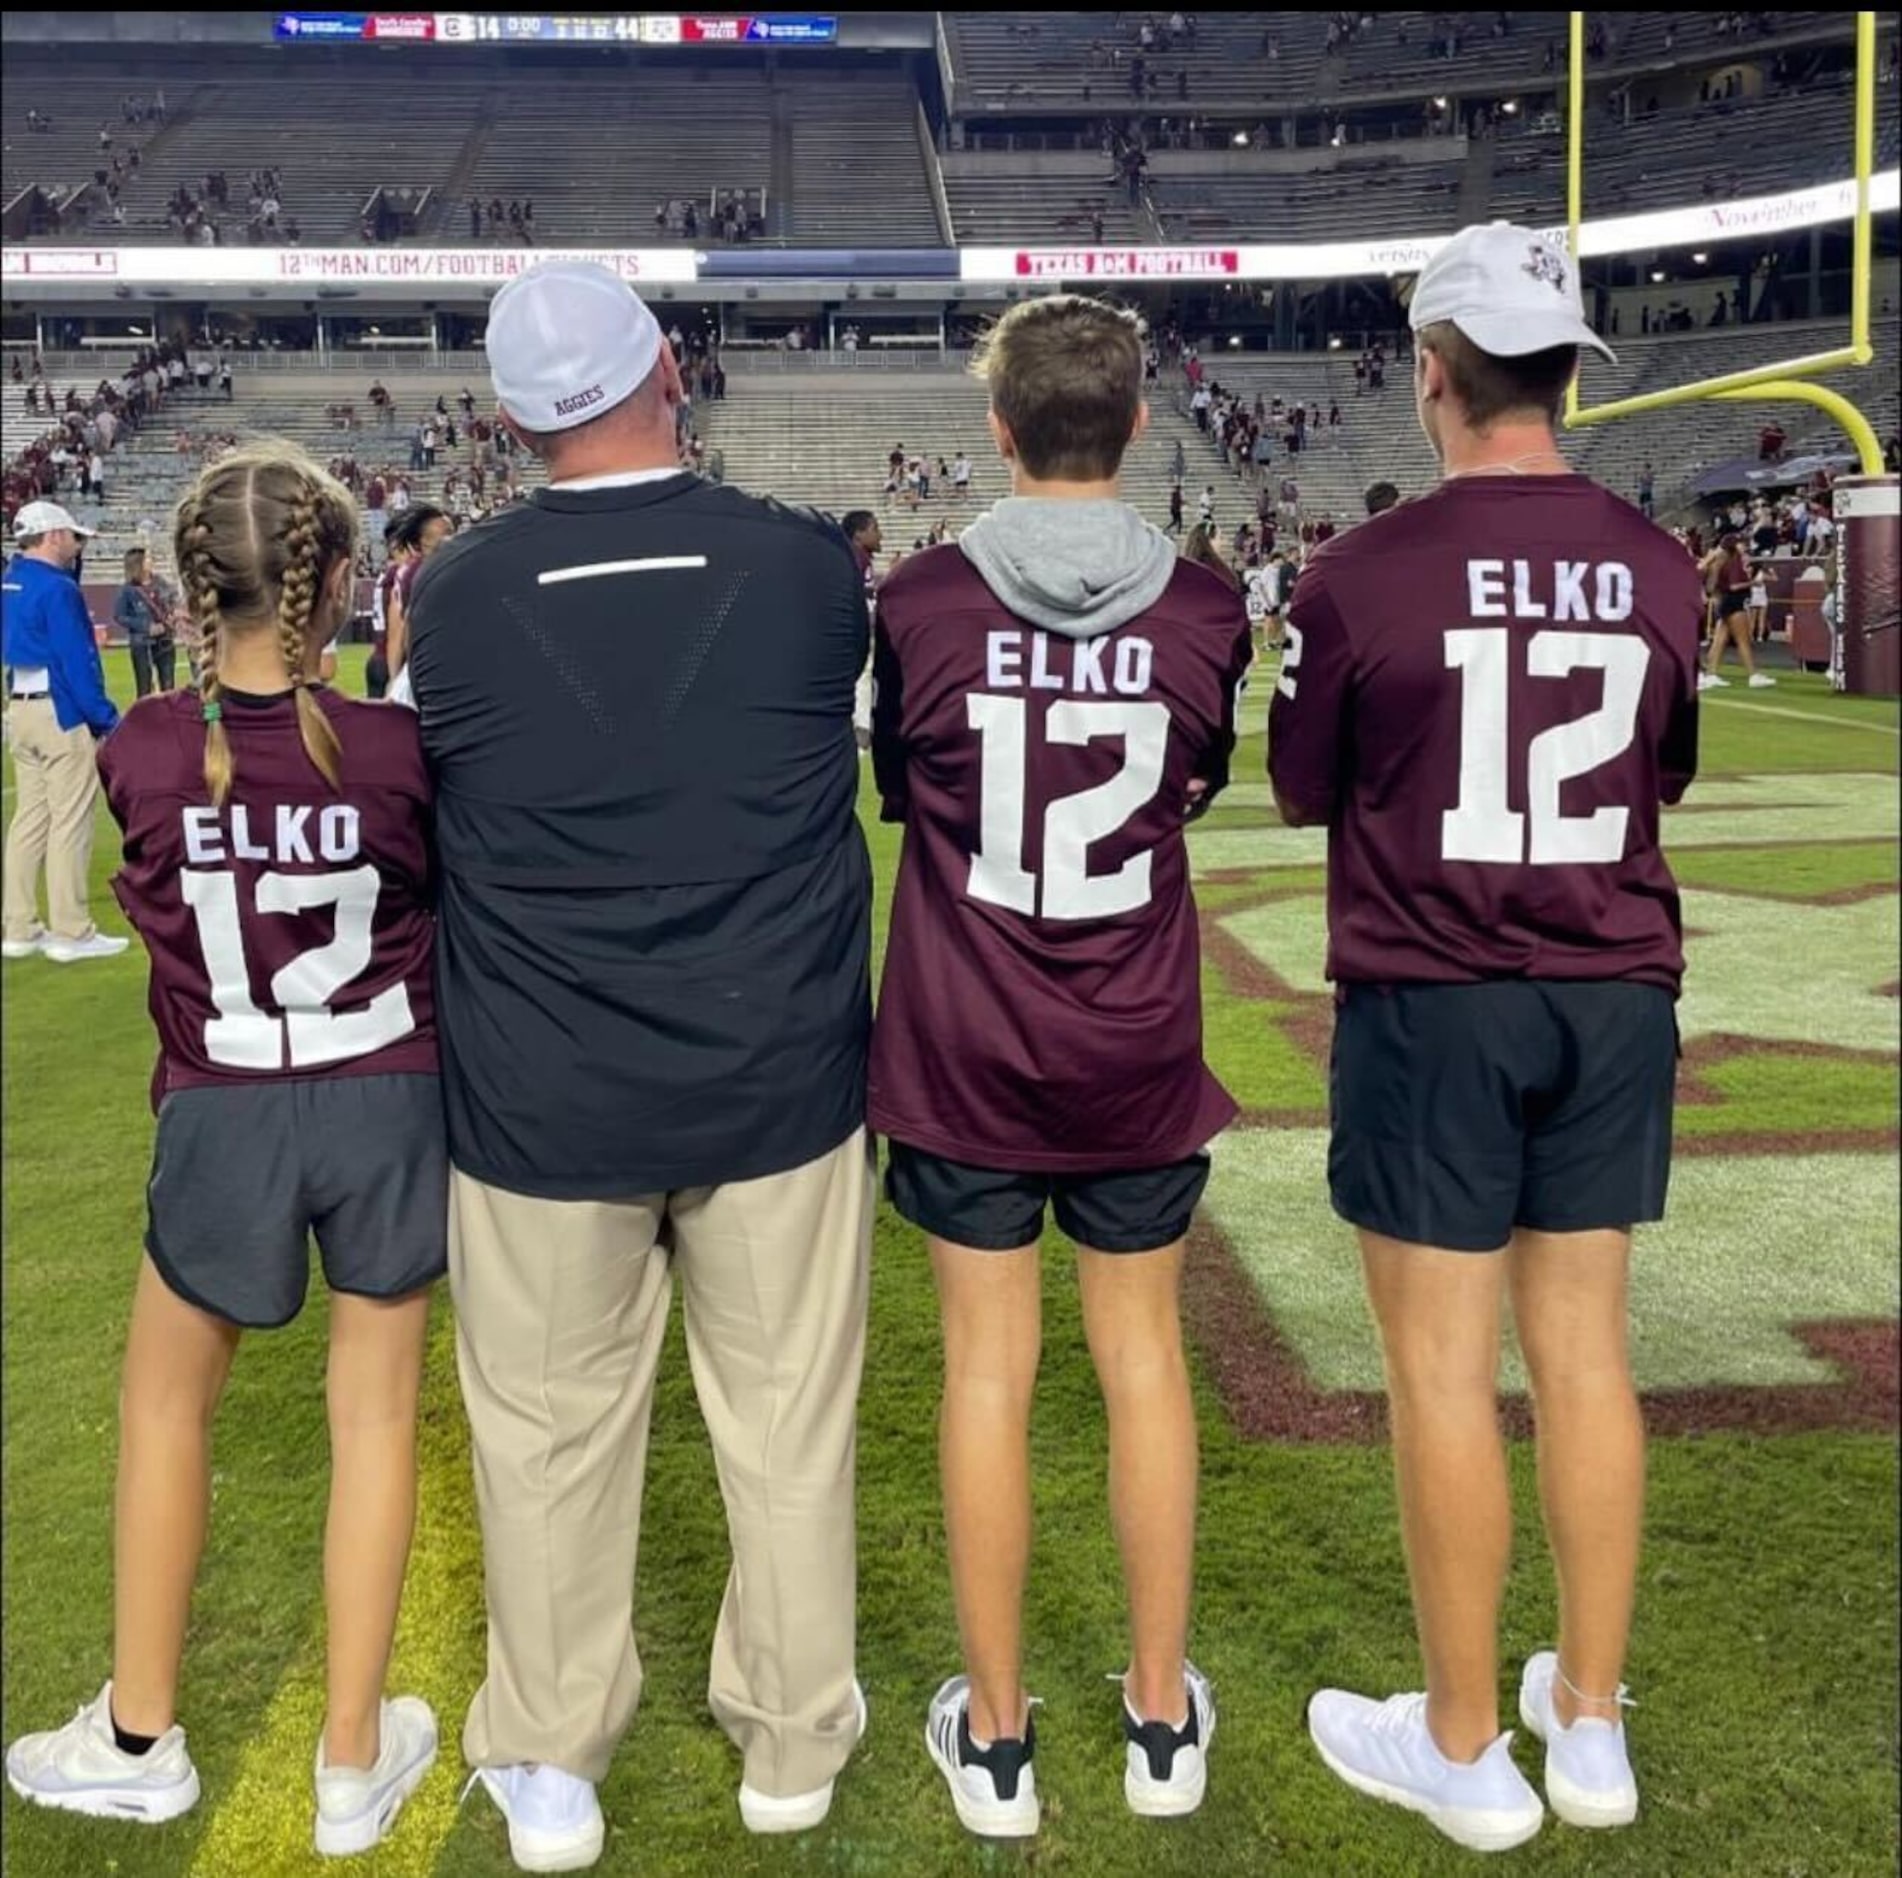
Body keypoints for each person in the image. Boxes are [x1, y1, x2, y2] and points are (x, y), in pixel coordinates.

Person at [406, 261, 874, 1874]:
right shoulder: (809, 570)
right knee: (789, 1421)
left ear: (508, 414)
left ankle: (548, 1753)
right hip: (774, 1074)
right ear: (669, 368)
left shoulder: (453, 596)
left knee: (542, 1436)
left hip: (545, 1090)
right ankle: (795, 1731)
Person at [1272, 224, 1702, 1853]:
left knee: (1441, 1367)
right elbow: (1656, 771)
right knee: (1584, 1350)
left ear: (1430, 370)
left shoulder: (1358, 570)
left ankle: (1463, 1742)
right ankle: (1585, 1720)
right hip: (1610, 986)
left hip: (1432, 986)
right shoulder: (1655, 562)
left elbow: (1305, 781)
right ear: (1570, 369)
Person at [3, 444, 444, 1857]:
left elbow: (157, 895)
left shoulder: (142, 748)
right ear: (336, 585)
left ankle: (139, 1730)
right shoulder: (394, 745)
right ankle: (353, 1754)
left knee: (163, 1411)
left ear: (192, 591)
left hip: (222, 1102)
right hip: (386, 1097)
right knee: (371, 1418)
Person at [871, 294, 1249, 1841]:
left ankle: (1003, 1736)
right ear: (1140, 424)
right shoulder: (1210, 608)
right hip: (1133, 1033)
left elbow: (903, 784)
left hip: (968, 1034)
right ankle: (1159, 1715)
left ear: (999, 428)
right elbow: (1198, 790)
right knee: (1141, 1363)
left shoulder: (920, 600)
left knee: (987, 1372)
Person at [2, 500, 127, 962]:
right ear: (53, 535)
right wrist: (105, 718)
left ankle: (18, 925)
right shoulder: (58, 588)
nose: (78, 546)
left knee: (29, 821)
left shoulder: (10, 581)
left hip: (22, 707)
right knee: (70, 821)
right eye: (73, 537)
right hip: (59, 712)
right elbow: (78, 661)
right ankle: (71, 932)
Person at [1699, 531, 1772, 688]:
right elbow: (1734, 586)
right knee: (1743, 640)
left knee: (1720, 640)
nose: (1744, 546)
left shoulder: (1721, 560)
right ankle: (1753, 675)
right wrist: (1754, 583)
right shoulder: (1733, 560)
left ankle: (1710, 674)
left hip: (1724, 601)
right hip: (1734, 601)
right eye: (1741, 543)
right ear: (1733, 545)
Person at [115, 546, 174, 697]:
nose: (151, 561)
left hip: (164, 640)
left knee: (168, 685)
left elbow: (172, 602)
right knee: (144, 686)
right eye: (147, 558)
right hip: (142, 643)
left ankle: (170, 717)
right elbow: (119, 616)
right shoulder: (127, 590)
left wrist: (169, 620)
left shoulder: (161, 583)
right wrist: (146, 627)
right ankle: (144, 718)